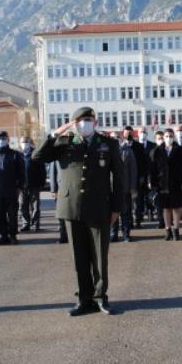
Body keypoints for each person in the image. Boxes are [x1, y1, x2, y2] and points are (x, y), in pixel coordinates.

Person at [33, 106, 123, 316]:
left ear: (95, 122)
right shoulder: (64, 143)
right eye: (80, 120)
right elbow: (37, 156)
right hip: (71, 208)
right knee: (79, 257)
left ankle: (101, 298)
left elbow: (118, 177)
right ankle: (84, 299)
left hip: (100, 207)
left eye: (88, 119)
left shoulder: (108, 144)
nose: (85, 123)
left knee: (100, 256)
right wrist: (55, 134)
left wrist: (117, 207)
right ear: (73, 123)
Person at [0, 131, 25, 245]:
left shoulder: (15, 154)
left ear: (8, 140)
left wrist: (20, 186)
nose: (2, 141)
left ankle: (13, 235)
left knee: (12, 214)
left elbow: (22, 172)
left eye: (4, 138)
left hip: (11, 190)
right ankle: (3, 235)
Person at [151, 129, 182, 241]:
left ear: (174, 137)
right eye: (166, 136)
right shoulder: (157, 150)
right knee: (166, 208)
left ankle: (176, 230)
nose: (168, 138)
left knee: (176, 208)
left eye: (170, 136)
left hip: (176, 183)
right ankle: (168, 230)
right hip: (162, 184)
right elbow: (153, 169)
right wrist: (153, 184)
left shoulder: (180, 150)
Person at [110, 129, 137, 242]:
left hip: (124, 187)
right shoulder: (105, 152)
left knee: (125, 213)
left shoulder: (127, 151)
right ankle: (113, 234)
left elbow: (133, 169)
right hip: (110, 188)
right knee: (112, 212)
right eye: (112, 138)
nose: (115, 139)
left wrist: (132, 187)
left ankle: (126, 234)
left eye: (117, 137)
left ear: (121, 138)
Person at [19, 136, 46, 233]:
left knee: (35, 206)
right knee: (23, 206)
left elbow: (42, 169)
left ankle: (35, 224)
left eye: (26, 141)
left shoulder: (35, 153)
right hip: (22, 186)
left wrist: (42, 182)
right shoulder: (19, 155)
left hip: (34, 185)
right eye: (22, 142)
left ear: (30, 143)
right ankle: (26, 224)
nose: (24, 143)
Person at [132, 127, 153, 227]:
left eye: (144, 132)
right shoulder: (134, 145)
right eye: (141, 132)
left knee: (150, 197)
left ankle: (151, 213)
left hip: (149, 175)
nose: (143, 133)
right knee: (138, 200)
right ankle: (138, 219)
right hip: (138, 177)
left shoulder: (152, 145)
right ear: (138, 133)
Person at [48, 160, 68, 243]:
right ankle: (63, 237)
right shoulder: (57, 154)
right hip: (61, 190)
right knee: (62, 216)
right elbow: (53, 173)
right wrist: (54, 190)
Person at [150, 131, 166, 229]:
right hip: (158, 181)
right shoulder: (154, 151)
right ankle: (161, 221)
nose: (161, 140)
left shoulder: (168, 149)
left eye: (162, 138)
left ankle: (169, 221)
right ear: (156, 140)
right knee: (159, 203)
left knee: (168, 203)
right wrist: (151, 181)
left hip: (168, 181)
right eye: (159, 138)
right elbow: (151, 167)